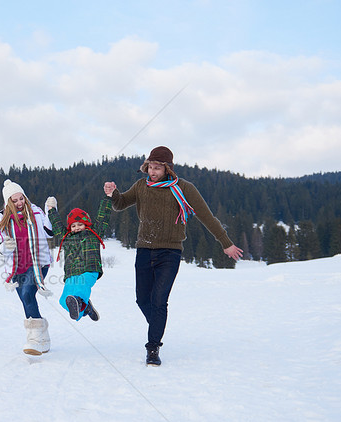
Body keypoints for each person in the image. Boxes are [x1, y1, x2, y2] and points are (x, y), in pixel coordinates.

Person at [103, 146, 243, 366]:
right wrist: (113, 193)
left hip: (170, 252)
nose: (152, 171)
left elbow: (206, 217)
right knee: (142, 299)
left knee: (159, 301)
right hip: (144, 250)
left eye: (157, 167)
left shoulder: (183, 188)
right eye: (150, 166)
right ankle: (158, 325)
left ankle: (153, 348)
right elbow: (120, 204)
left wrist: (226, 243)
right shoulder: (142, 186)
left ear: (167, 168)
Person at [0, 179, 54, 355]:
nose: (20, 203)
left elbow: (50, 232)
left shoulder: (35, 211)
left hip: (38, 262)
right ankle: (42, 338)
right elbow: (0, 247)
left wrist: (51, 212)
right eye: (15, 201)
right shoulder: (0, 219)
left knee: (28, 293)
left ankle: (35, 339)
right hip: (16, 266)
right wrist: (7, 246)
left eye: (22, 198)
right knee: (26, 299)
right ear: (8, 203)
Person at [44, 195, 112, 321]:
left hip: (89, 269)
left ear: (86, 224)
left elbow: (103, 217)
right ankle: (85, 309)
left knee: (81, 289)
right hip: (71, 273)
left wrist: (108, 198)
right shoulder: (66, 237)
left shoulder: (94, 233)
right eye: (73, 226)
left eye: (80, 224)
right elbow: (57, 225)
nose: (76, 228)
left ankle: (81, 303)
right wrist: (51, 209)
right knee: (63, 300)